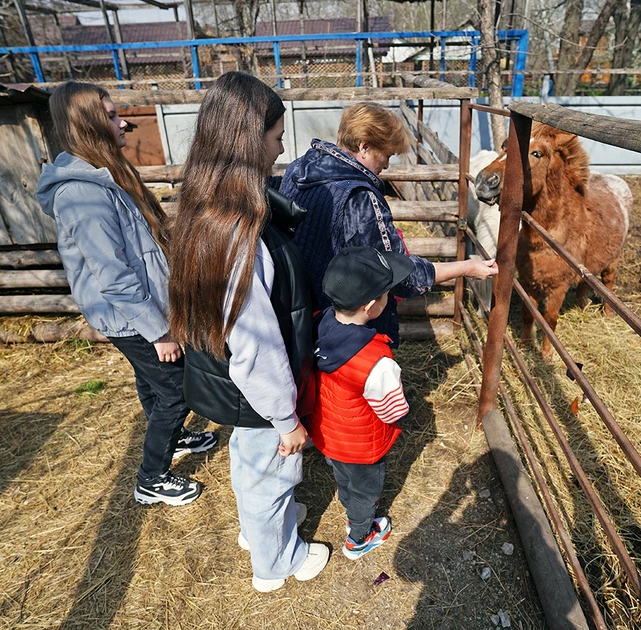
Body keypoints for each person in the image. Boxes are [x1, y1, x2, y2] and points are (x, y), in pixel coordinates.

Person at [167, 71, 329, 593]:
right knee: (271, 470)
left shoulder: (206, 206)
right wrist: (286, 420)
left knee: (252, 463)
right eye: (277, 138)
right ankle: (276, 562)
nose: (282, 150)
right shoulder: (239, 235)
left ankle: (260, 528)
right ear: (247, 139)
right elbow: (254, 345)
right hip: (258, 391)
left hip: (232, 387)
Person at [37, 82, 217, 508]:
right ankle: (151, 478)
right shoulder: (81, 192)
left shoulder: (108, 174)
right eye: (113, 116)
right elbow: (113, 276)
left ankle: (172, 437)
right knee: (177, 390)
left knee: (151, 378)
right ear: (89, 124)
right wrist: (159, 332)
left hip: (145, 307)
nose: (124, 122)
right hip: (130, 315)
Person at [279, 102, 498, 346]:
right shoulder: (361, 198)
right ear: (364, 147)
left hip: (301, 316)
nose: (386, 165)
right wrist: (467, 267)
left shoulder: (300, 169)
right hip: (348, 331)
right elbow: (398, 274)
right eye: (387, 155)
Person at [308, 246, 414, 560]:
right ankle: (359, 536)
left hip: (330, 434)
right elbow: (393, 410)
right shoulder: (377, 360)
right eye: (386, 294)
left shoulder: (320, 323)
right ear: (371, 306)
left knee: (345, 479)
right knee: (366, 489)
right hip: (361, 447)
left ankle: (351, 506)